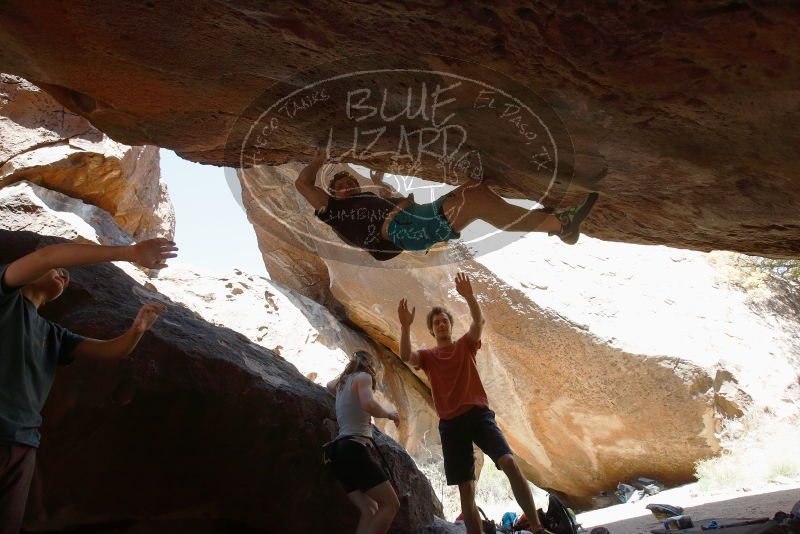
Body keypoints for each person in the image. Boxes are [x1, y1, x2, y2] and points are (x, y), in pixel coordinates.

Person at [0, 238, 177, 534]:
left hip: (22, 445)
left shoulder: (53, 333)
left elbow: (109, 351)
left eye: (65, 274)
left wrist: (136, 331)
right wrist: (130, 252)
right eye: (57, 269)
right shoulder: (5, 295)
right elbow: (46, 256)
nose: (64, 274)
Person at [398, 273, 553, 534]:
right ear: (432, 330)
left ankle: (537, 527)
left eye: (444, 320)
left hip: (479, 416)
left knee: (509, 463)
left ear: (450, 325)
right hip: (451, 425)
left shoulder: (465, 345)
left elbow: (478, 322)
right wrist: (404, 327)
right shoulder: (428, 357)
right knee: (466, 487)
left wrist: (469, 296)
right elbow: (405, 355)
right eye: (436, 322)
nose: (441, 324)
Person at [295, 150, 599, 261]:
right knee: (476, 202)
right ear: (332, 193)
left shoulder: (369, 198)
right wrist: (322, 155)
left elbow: (389, 202)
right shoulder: (333, 210)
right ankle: (559, 225)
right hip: (409, 231)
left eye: (350, 182)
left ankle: (549, 222)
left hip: (417, 216)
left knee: (475, 189)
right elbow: (303, 184)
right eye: (340, 186)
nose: (347, 186)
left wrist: (380, 181)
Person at [325, 351, 401, 534]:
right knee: (391, 504)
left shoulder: (343, 383)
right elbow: (368, 404)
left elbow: (329, 385)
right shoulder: (363, 377)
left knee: (370, 509)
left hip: (336, 454)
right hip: (353, 448)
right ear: (369, 366)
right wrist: (389, 414)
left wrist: (348, 370)